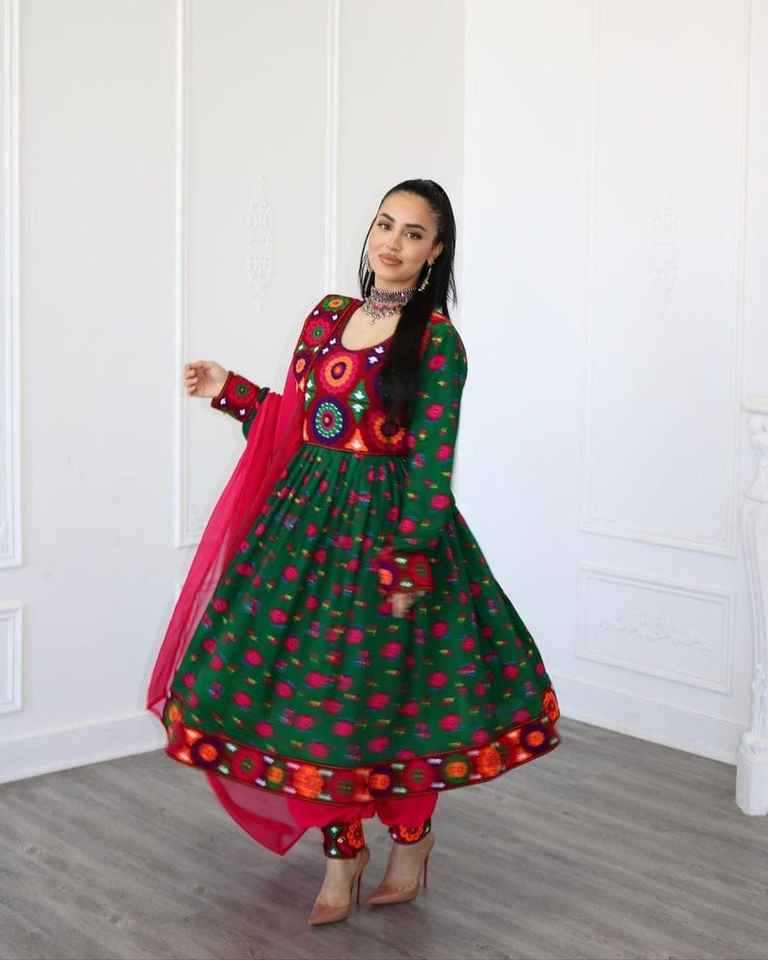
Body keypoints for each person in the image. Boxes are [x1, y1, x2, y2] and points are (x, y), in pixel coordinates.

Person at [146, 178, 561, 926]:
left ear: (435, 252)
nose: (392, 243)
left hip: (392, 540)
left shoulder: (437, 343)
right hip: (304, 535)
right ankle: (342, 854)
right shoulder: (327, 317)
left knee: (393, 705)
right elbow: (303, 424)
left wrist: (408, 558)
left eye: (412, 233)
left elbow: (433, 462)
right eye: (384, 225)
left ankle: (410, 842)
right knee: (310, 705)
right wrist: (231, 390)